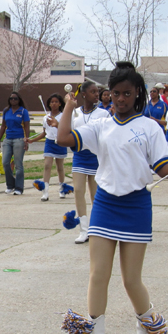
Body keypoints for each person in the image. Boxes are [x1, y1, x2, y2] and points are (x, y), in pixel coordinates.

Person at [56, 62, 168, 334]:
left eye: (127, 93)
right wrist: (68, 107)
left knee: (131, 280)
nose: (121, 99)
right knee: (98, 275)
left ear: (138, 95)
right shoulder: (101, 126)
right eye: (116, 93)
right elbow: (63, 139)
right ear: (110, 95)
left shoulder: (150, 128)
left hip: (136, 206)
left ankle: (147, 328)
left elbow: (162, 167)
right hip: (106, 205)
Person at [69, 81, 111, 243]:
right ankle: (84, 230)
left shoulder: (104, 114)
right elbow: (70, 134)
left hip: (96, 158)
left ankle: (97, 227)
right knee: (78, 190)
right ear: (84, 94)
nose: (97, 95)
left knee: (95, 195)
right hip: (79, 156)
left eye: (97, 92)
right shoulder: (75, 113)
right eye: (93, 92)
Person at [28, 93, 68, 201]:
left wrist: (57, 124)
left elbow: (66, 130)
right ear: (49, 104)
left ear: (60, 103)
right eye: (52, 102)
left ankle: (62, 188)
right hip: (49, 143)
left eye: (56, 102)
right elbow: (44, 133)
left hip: (60, 142)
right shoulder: (46, 117)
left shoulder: (63, 116)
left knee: (60, 167)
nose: (54, 104)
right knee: (47, 166)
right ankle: (45, 191)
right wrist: (32, 140)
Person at [0, 92, 31, 195]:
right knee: (5, 162)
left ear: (19, 100)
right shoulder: (6, 111)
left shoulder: (23, 111)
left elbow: (27, 126)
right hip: (8, 139)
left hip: (19, 139)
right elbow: (3, 126)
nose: (13, 100)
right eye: (11, 99)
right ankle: (10, 185)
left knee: (18, 164)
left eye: (15, 99)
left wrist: (26, 139)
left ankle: (19, 187)